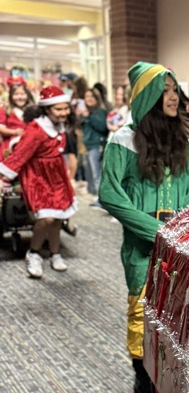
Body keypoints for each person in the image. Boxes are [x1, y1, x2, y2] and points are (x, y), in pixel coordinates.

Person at [99, 62, 189, 393]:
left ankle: (170, 373)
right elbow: (110, 194)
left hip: (180, 242)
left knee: (177, 309)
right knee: (142, 310)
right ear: (147, 98)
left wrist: (182, 231)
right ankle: (142, 377)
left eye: (175, 90)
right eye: (165, 90)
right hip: (142, 246)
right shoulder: (123, 140)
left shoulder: (183, 140)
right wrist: (156, 230)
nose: (173, 97)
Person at [0, 86, 77, 278]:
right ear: (47, 109)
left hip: (57, 177)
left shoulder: (61, 127)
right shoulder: (36, 129)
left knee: (58, 217)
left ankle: (55, 253)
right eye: (59, 109)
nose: (64, 113)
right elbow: (20, 155)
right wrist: (5, 178)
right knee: (46, 218)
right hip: (37, 178)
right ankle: (33, 253)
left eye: (65, 108)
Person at [79, 87, 109, 203]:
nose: (89, 99)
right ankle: (98, 198)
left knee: (97, 174)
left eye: (91, 96)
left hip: (97, 145)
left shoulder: (100, 112)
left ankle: (102, 200)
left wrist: (89, 117)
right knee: (92, 173)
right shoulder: (86, 112)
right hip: (89, 146)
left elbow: (102, 127)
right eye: (87, 96)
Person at [0, 77, 34, 155]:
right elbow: (1, 128)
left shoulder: (33, 110)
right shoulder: (5, 109)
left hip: (29, 145)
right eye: (16, 94)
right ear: (11, 96)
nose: (19, 97)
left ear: (27, 95)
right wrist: (14, 132)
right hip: (9, 147)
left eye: (22, 94)